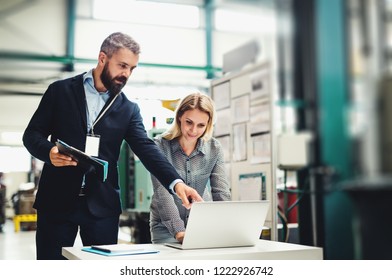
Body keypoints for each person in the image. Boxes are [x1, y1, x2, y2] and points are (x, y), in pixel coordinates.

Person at [22, 32, 202, 260]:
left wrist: (176, 183)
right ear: (102, 58)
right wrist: (49, 152)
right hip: (56, 201)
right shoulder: (60, 92)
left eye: (132, 69)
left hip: (102, 206)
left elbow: (147, 149)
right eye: (123, 65)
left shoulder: (128, 109)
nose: (126, 74)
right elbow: (31, 135)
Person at [149, 92, 231, 244]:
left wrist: (226, 227)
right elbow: (162, 193)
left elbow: (221, 192)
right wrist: (180, 232)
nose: (194, 130)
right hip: (166, 228)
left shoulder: (214, 148)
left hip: (203, 226)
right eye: (189, 122)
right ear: (179, 116)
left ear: (208, 124)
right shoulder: (159, 146)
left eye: (201, 125)